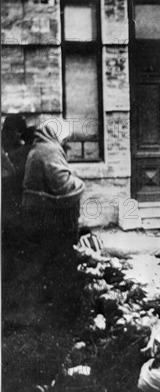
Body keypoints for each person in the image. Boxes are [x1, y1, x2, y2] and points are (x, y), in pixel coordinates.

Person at [21, 118, 85, 317]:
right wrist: (78, 182)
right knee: (58, 264)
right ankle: (60, 314)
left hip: (37, 216)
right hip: (50, 218)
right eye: (64, 137)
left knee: (44, 265)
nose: (66, 142)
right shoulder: (49, 150)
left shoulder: (39, 148)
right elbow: (63, 186)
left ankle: (46, 307)